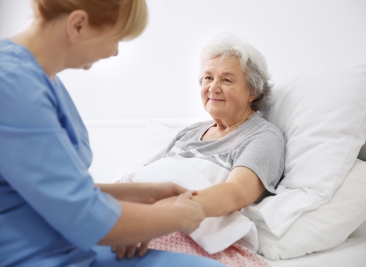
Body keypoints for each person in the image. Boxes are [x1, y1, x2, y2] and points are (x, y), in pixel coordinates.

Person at [0, 0, 226, 266]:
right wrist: (181, 217)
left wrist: (142, 194)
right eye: (116, 38)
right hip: (35, 254)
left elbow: (53, 189)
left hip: (68, 243)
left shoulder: (41, 79)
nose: (115, 52)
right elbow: (83, 213)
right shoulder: (13, 86)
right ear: (78, 24)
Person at [117, 33, 286, 256]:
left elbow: (235, 193)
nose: (213, 87)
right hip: (137, 219)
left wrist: (156, 217)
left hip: (182, 230)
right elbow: (141, 178)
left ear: (252, 92)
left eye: (226, 80)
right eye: (207, 78)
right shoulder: (190, 133)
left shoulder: (263, 137)